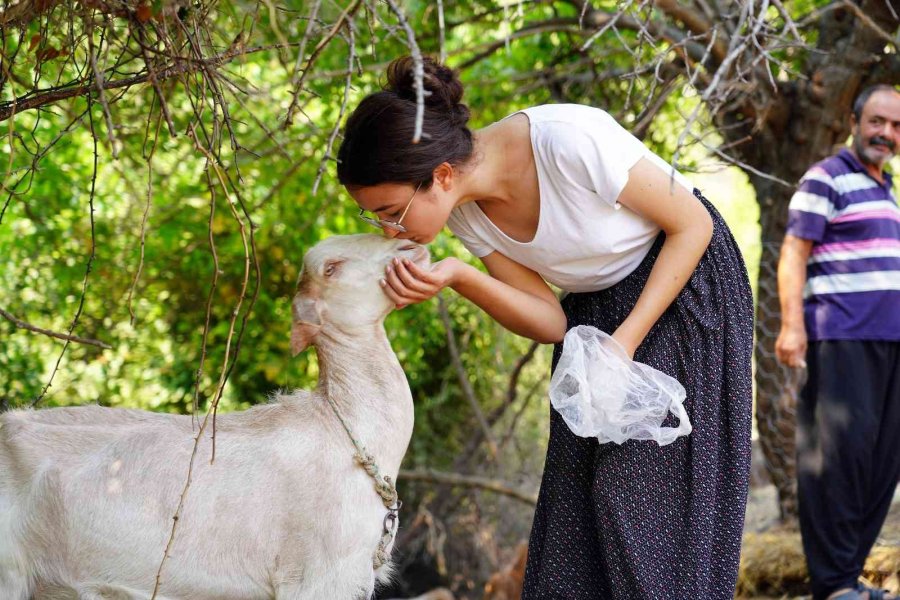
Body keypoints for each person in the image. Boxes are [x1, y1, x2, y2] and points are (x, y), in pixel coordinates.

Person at [337, 56, 753, 599]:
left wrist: (625, 343)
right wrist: (457, 276)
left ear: (438, 176)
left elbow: (692, 222)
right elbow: (551, 320)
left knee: (638, 498)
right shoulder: (464, 212)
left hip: (685, 287)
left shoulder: (565, 139)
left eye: (391, 211)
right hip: (592, 314)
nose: (389, 231)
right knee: (574, 516)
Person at [775, 84, 900, 600]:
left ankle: (848, 576)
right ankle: (832, 584)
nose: (886, 133)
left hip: (890, 342)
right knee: (838, 460)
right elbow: (793, 251)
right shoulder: (826, 178)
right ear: (854, 120)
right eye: (877, 121)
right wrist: (791, 325)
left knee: (884, 461)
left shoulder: (886, 187)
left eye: (895, 126)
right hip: (842, 338)